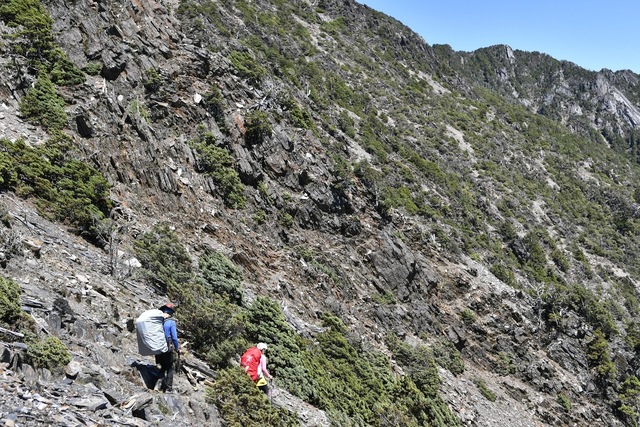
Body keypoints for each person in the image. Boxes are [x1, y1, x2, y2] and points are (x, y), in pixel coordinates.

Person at [156, 303, 180, 393]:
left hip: (158, 346)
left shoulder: (158, 321)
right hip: (167, 347)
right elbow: (174, 337)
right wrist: (177, 348)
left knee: (162, 367)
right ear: (171, 313)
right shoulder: (171, 322)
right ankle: (168, 389)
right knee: (169, 367)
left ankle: (157, 386)